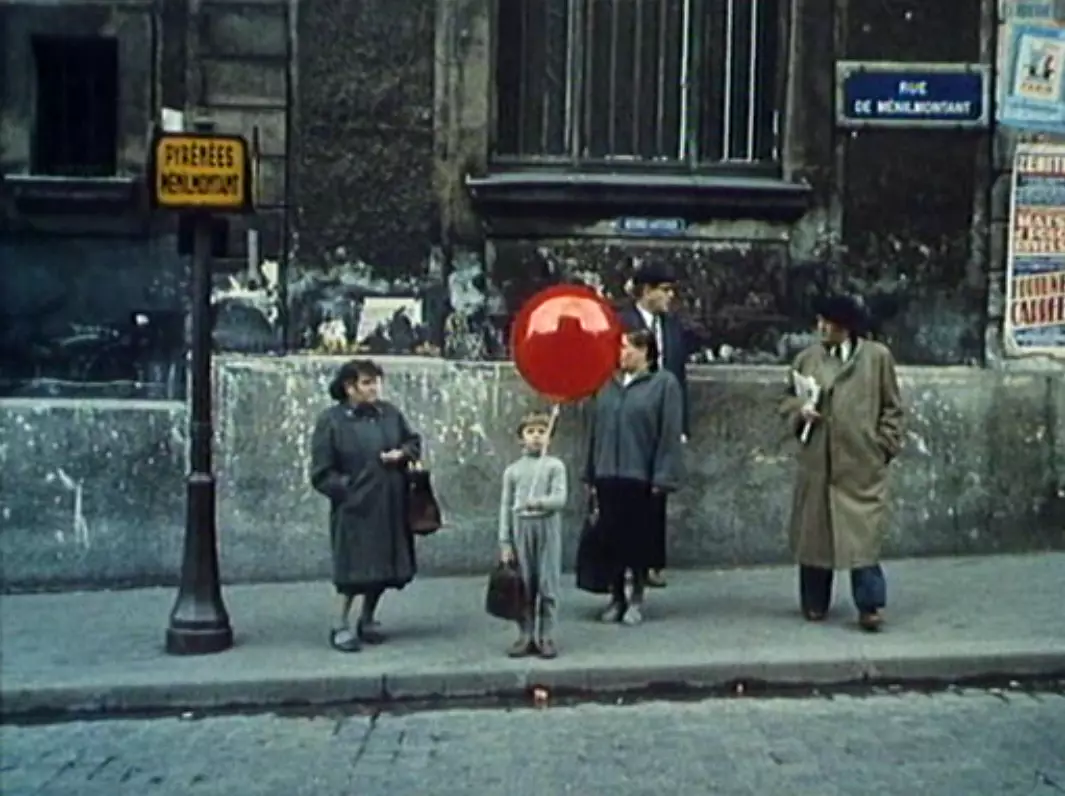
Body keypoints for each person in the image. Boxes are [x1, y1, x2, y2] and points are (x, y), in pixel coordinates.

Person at [780, 295, 904, 633]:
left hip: (861, 461)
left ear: (846, 327)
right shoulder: (807, 359)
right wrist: (800, 410)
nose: (821, 328)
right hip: (818, 462)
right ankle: (814, 601)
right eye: (819, 321)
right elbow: (786, 398)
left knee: (863, 541)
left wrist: (883, 446)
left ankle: (869, 605)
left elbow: (892, 407)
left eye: (828, 322)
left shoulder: (877, 358)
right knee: (815, 536)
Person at [310, 358, 422, 652]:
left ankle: (367, 619)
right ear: (349, 388)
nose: (374, 388)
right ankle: (339, 625)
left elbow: (413, 441)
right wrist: (350, 490)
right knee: (352, 572)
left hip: (390, 505)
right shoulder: (332, 421)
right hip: (356, 510)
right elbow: (321, 473)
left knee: (384, 568)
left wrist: (402, 453)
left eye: (376, 382)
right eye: (367, 383)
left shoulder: (389, 414)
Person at [584, 327, 684, 626]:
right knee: (610, 540)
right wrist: (590, 472)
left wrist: (663, 476)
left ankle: (636, 598)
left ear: (645, 352)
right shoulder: (606, 383)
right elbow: (594, 429)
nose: (621, 353)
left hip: (641, 474)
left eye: (628, 347)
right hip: (608, 471)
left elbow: (669, 433)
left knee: (638, 541)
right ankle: (616, 597)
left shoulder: (664, 384)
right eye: (620, 347)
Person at [620, 261, 689, 589]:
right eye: (664, 290)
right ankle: (625, 562)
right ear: (646, 291)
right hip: (632, 413)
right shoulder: (622, 322)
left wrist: (681, 423)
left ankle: (652, 561)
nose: (669, 296)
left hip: (663, 413)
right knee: (627, 490)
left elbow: (680, 374)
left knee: (658, 489)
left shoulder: (672, 327)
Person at [497, 412, 569, 659]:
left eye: (542, 432)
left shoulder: (554, 466)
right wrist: (505, 541)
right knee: (523, 584)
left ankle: (546, 635)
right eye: (530, 432)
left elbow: (560, 499)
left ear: (550, 437)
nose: (536, 437)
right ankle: (525, 634)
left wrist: (538, 502)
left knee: (548, 584)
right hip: (521, 529)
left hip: (547, 528)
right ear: (521, 438)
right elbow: (505, 506)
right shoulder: (513, 471)